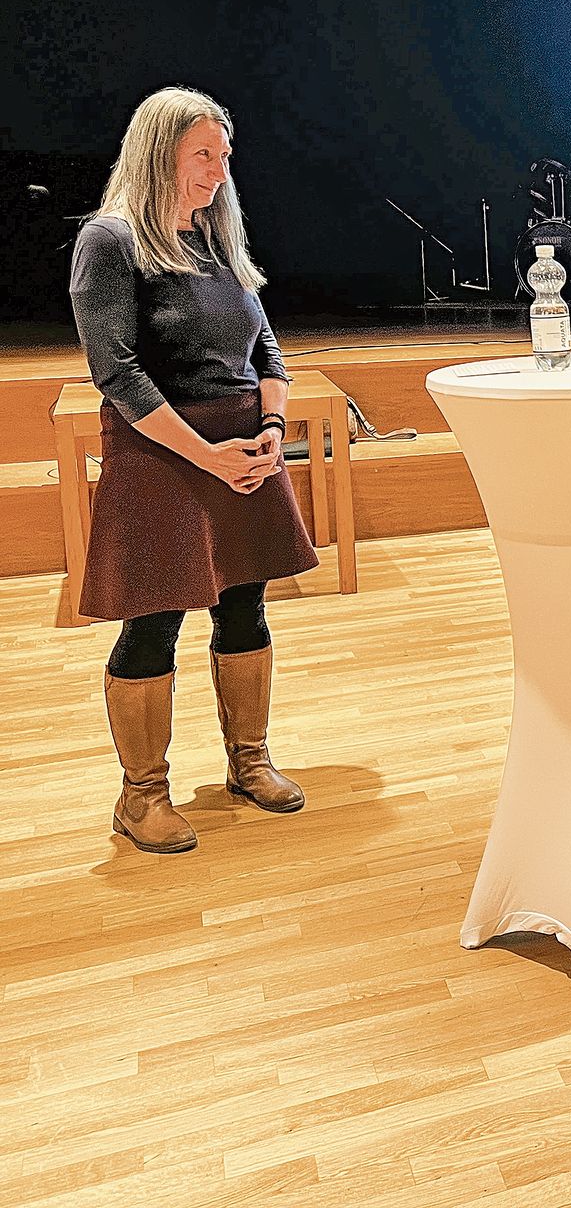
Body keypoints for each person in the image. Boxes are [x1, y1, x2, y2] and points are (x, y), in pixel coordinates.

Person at [69, 87, 318, 855]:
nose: (219, 169)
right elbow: (117, 371)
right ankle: (141, 797)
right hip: (163, 457)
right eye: (203, 154)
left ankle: (250, 762)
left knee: (245, 608)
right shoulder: (110, 242)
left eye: (224, 154)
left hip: (245, 452)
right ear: (159, 154)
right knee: (157, 621)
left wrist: (270, 427)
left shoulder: (218, 243)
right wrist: (206, 453)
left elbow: (266, 349)